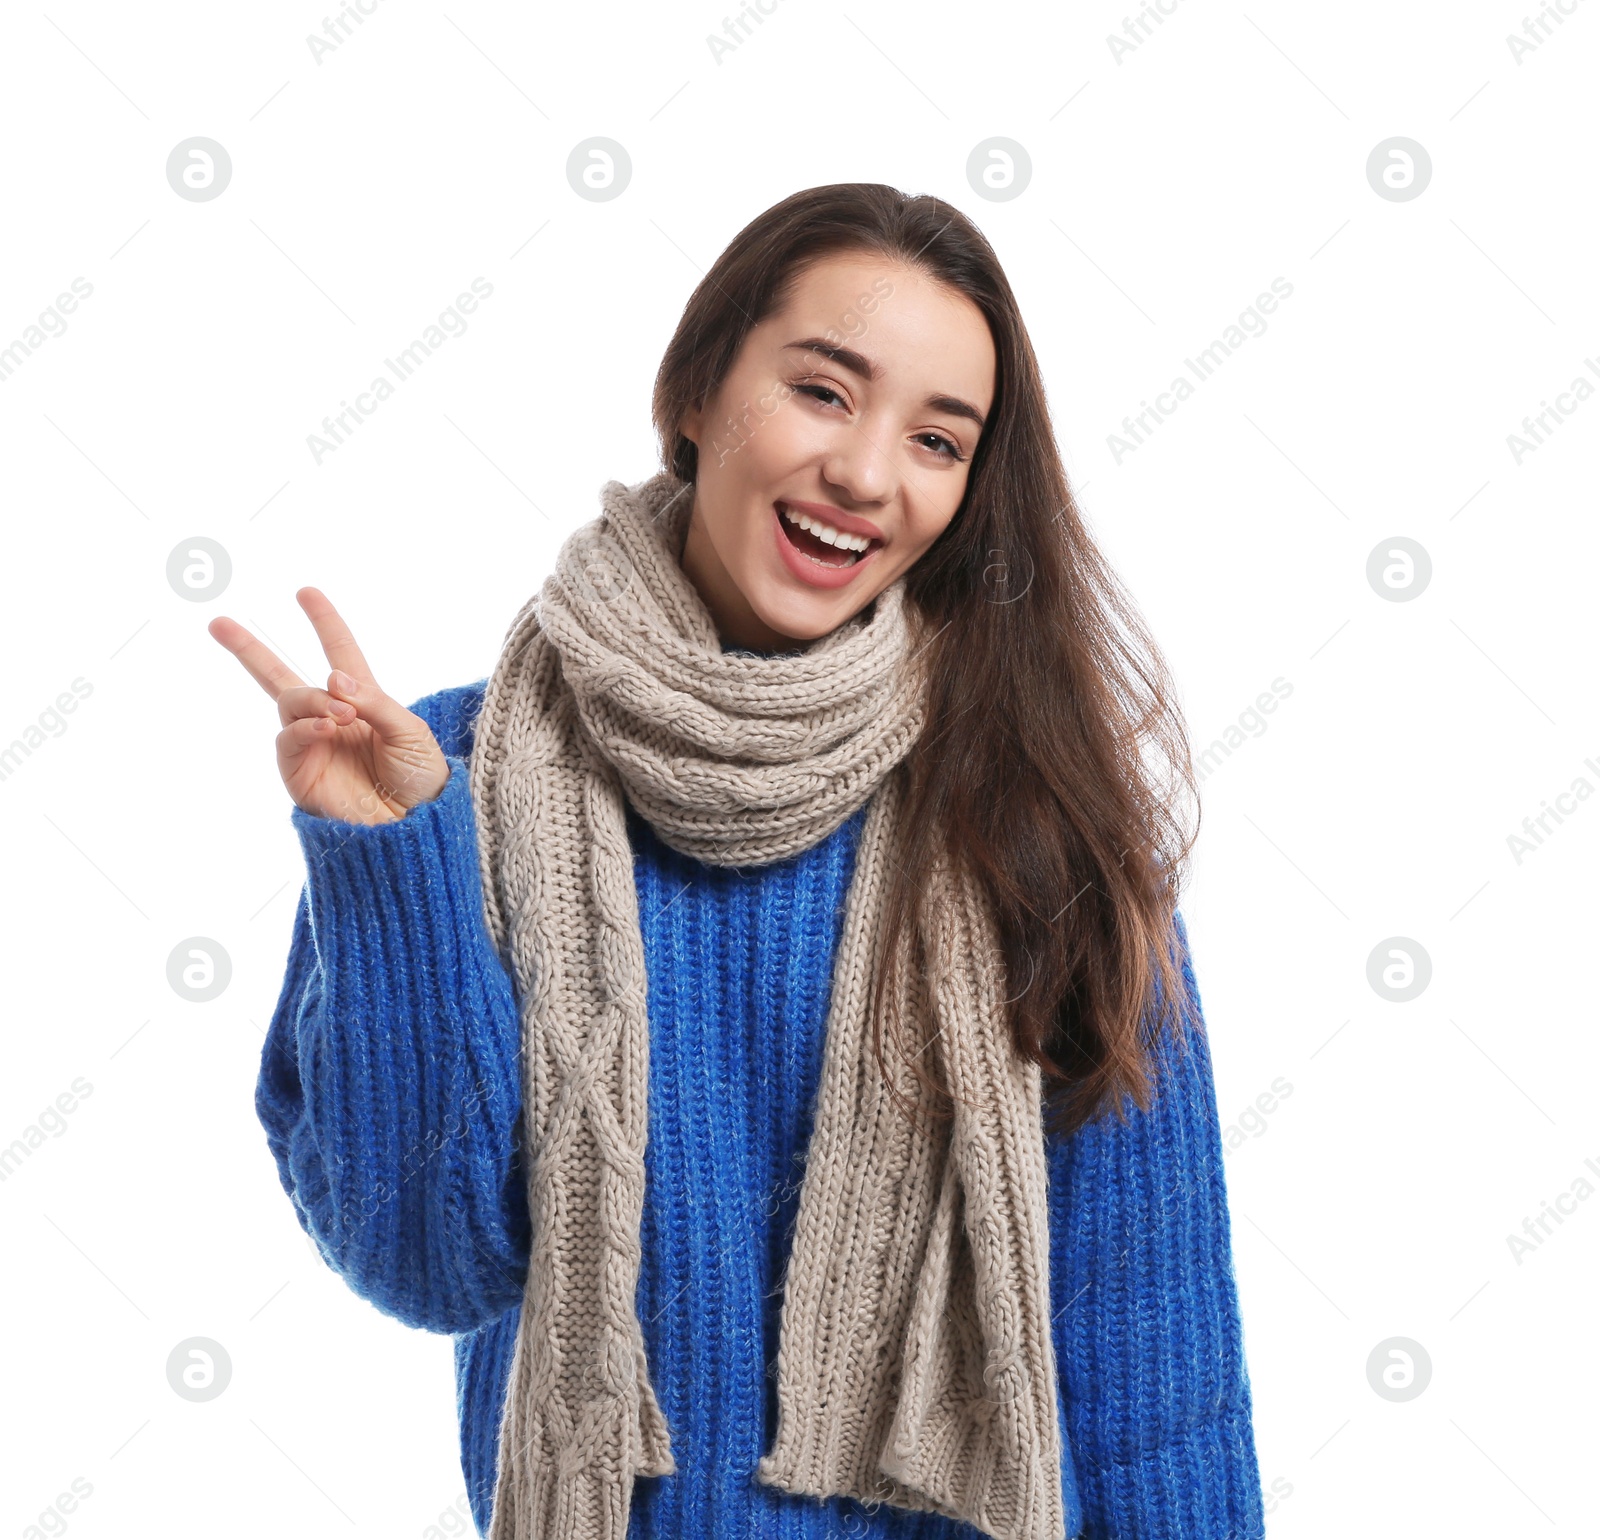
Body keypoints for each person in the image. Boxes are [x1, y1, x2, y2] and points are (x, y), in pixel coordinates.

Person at [210, 183, 1265, 1540]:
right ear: (699, 388)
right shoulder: (450, 772)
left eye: (938, 440)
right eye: (826, 393)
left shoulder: (1034, 815)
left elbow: (1154, 1379)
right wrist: (385, 864)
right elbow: (428, 1260)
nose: (869, 475)